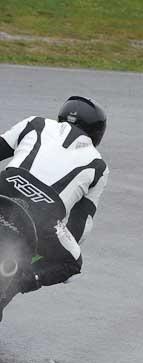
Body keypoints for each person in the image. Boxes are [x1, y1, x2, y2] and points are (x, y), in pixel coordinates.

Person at [0, 96, 108, 302]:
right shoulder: (99, 166)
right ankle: (19, 278)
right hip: (40, 220)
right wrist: (47, 258)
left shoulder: (35, 123)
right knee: (73, 263)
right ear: (98, 132)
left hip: (2, 190)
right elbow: (81, 227)